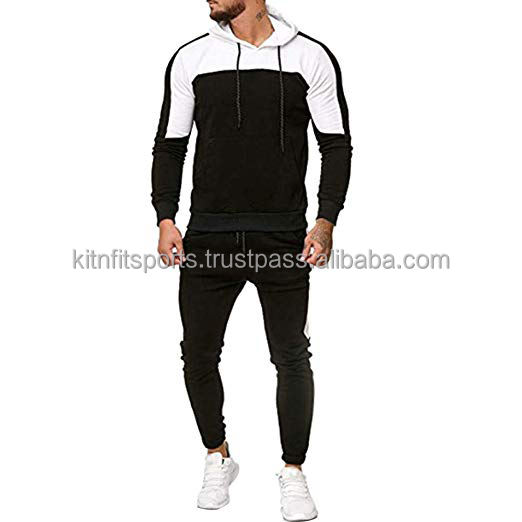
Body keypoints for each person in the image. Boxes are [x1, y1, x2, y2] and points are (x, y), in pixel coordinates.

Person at [151, 1, 352, 519]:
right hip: (207, 235)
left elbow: (336, 145)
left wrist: (326, 220)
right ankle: (217, 455)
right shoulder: (191, 58)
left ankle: (293, 471)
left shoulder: (309, 57)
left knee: (291, 355)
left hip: (282, 235)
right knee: (198, 354)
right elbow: (170, 145)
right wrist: (166, 216)